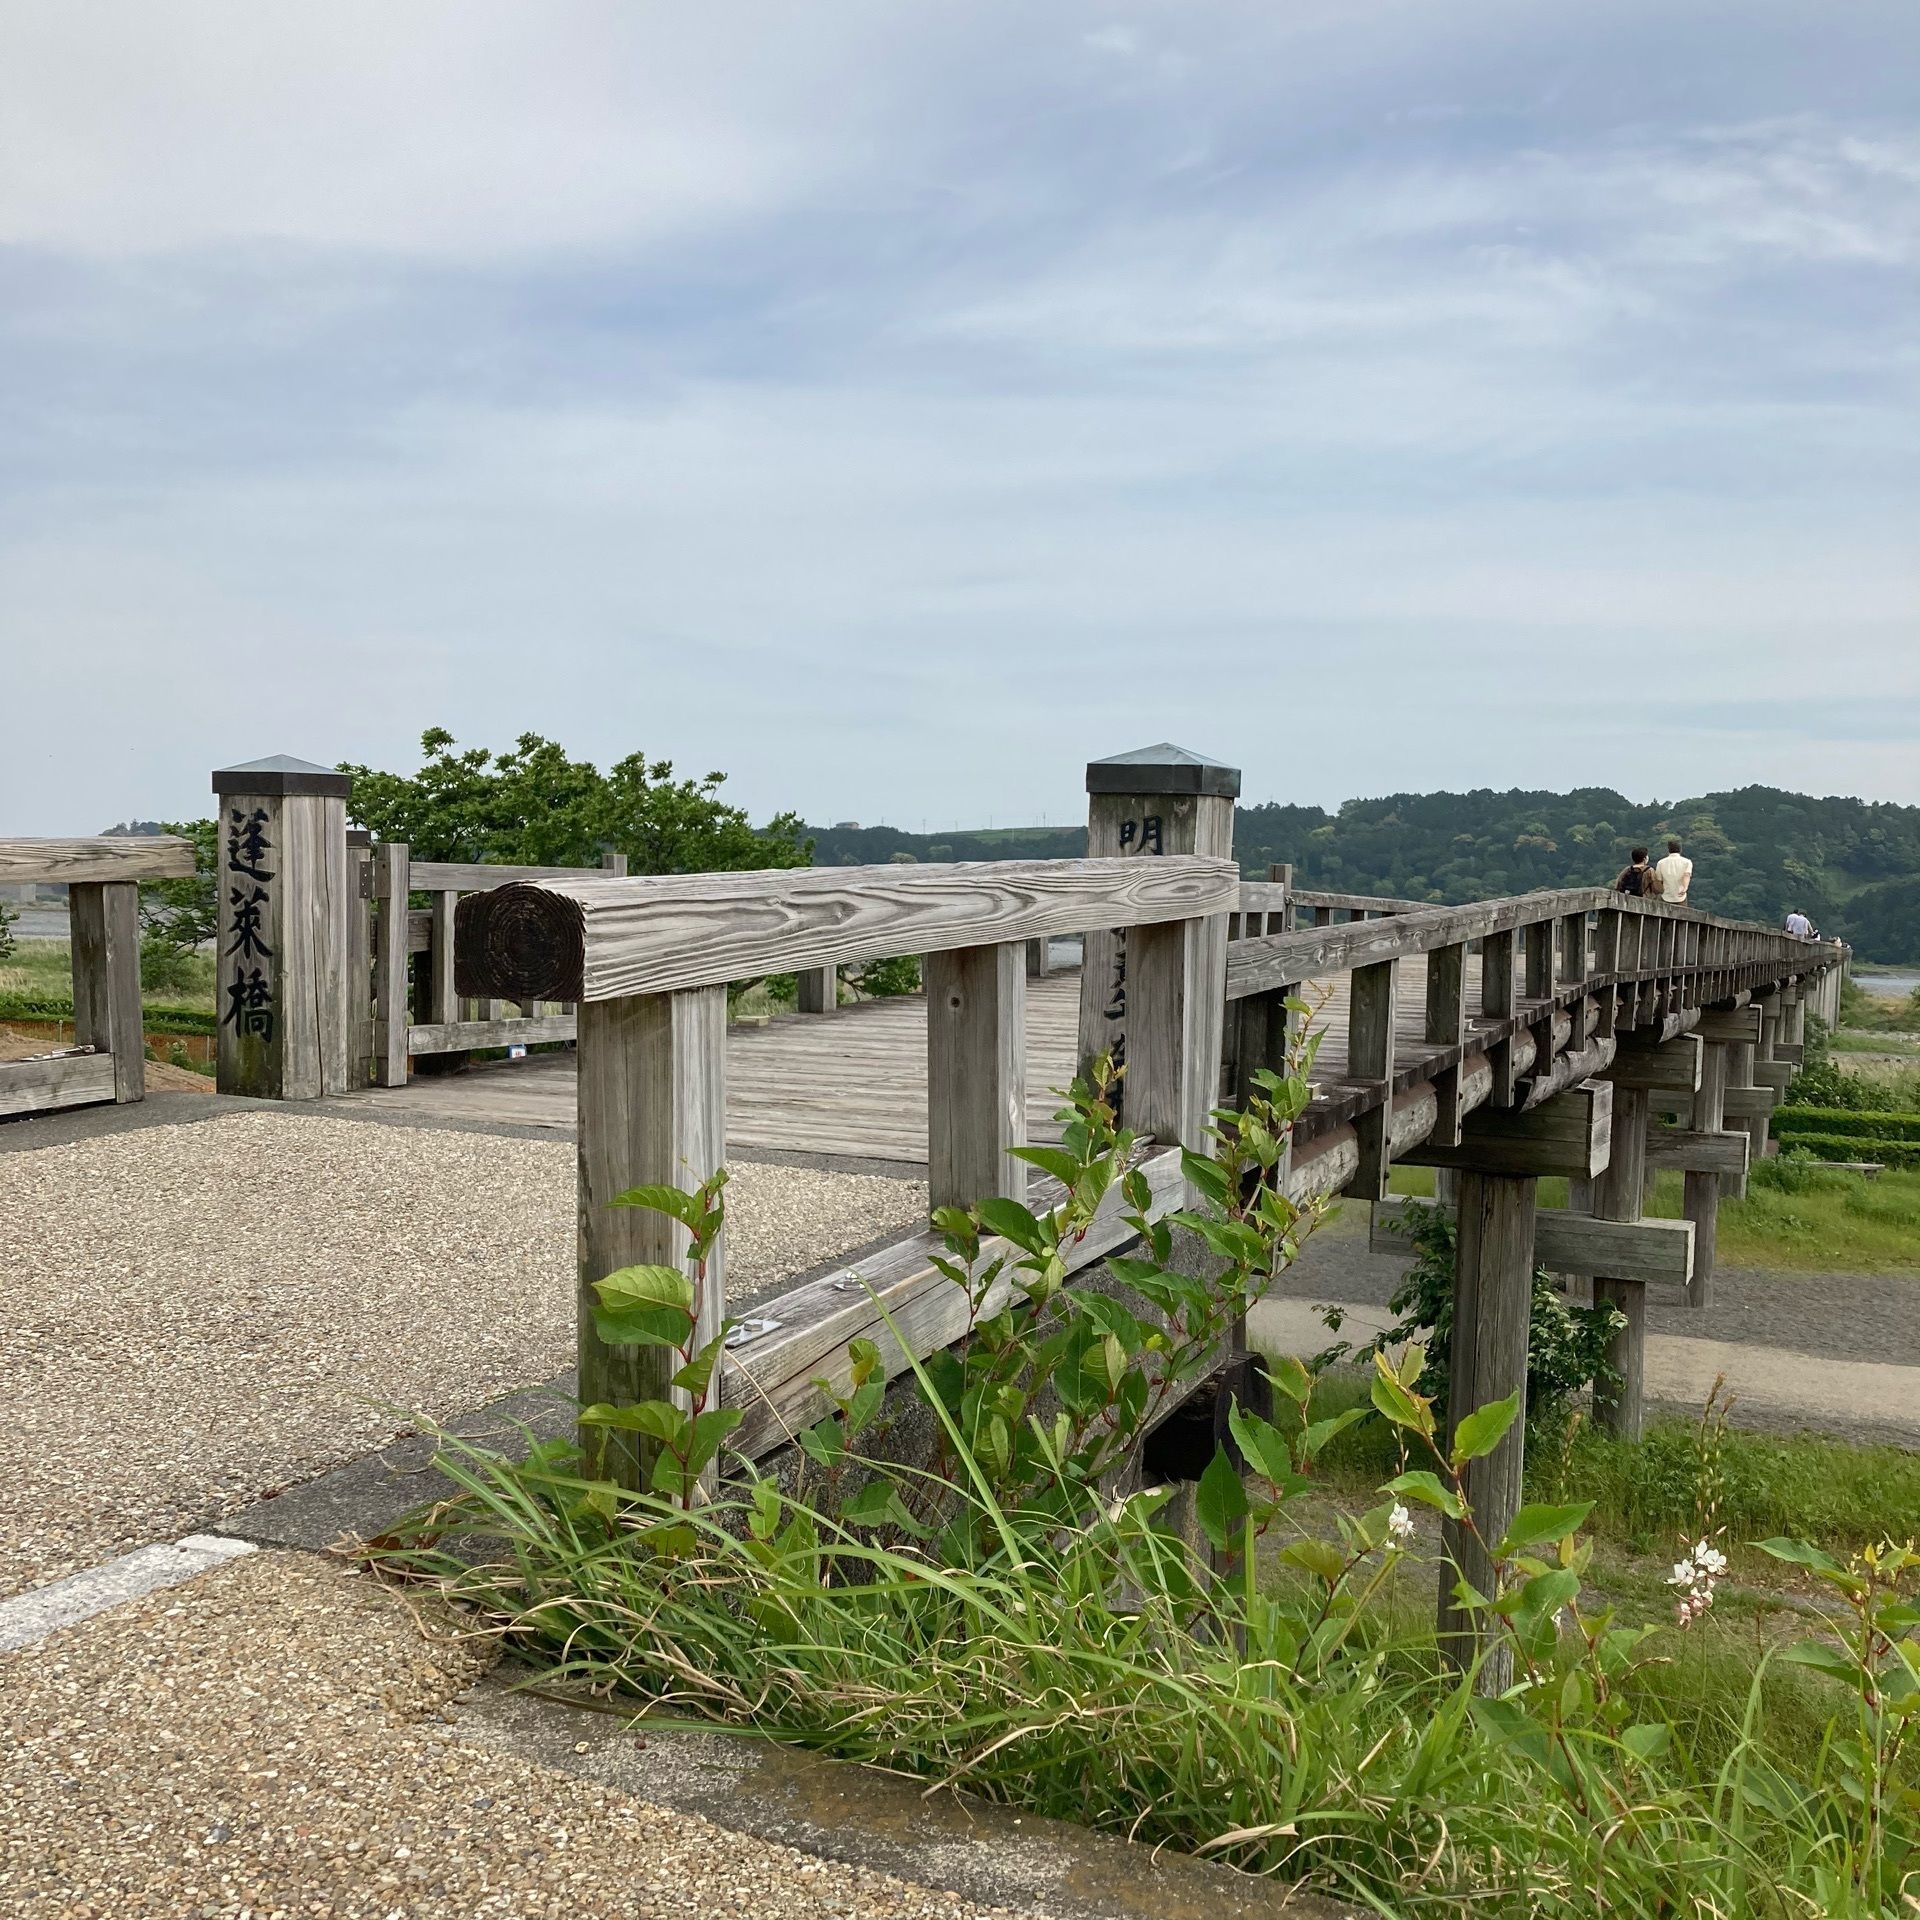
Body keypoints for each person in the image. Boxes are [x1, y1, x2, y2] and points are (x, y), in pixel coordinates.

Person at [1654, 837, 1692, 904]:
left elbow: (1658, 880)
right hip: (1681, 897)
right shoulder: (1687, 862)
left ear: (1668, 849)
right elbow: (1686, 875)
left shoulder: (1661, 862)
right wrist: (1685, 888)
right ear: (1680, 849)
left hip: (1665, 896)